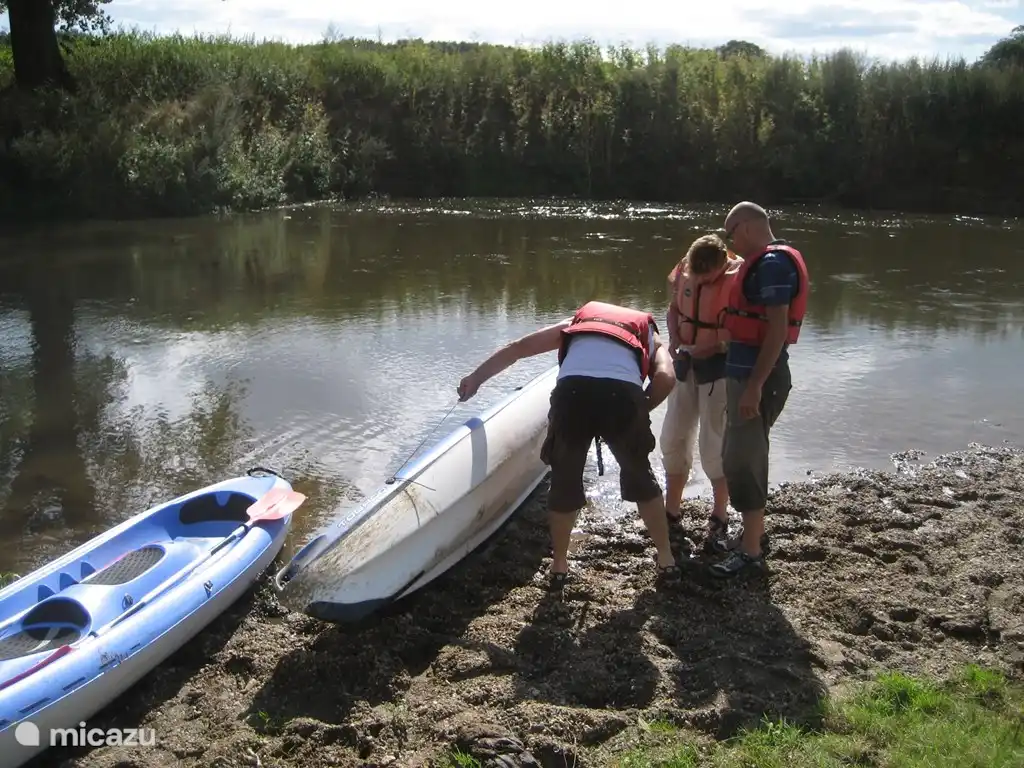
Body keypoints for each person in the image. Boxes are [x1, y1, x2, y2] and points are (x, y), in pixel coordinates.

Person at [457, 300, 680, 588]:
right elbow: (666, 376)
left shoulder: (576, 323)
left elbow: (517, 349)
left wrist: (475, 378)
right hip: (622, 396)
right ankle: (666, 559)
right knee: (641, 477)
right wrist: (642, 408)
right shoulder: (646, 332)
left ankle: (559, 565)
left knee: (564, 479)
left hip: (571, 393)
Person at [708, 201, 810, 579]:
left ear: (747, 227)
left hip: (758, 378)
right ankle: (752, 537)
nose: (731, 241)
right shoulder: (766, 262)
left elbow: (777, 331)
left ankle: (751, 552)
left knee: (745, 459)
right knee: (736, 454)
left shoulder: (772, 265)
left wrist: (754, 386)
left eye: (731, 232)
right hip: (747, 374)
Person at [661, 234, 743, 552]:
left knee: (713, 443)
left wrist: (708, 346)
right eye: (694, 275)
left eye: (705, 277)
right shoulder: (686, 269)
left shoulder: (738, 280)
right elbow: (672, 310)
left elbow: (738, 332)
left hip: (719, 370)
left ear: (722, 265)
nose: (698, 280)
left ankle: (720, 514)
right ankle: (672, 509)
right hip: (685, 363)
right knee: (672, 436)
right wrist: (673, 339)